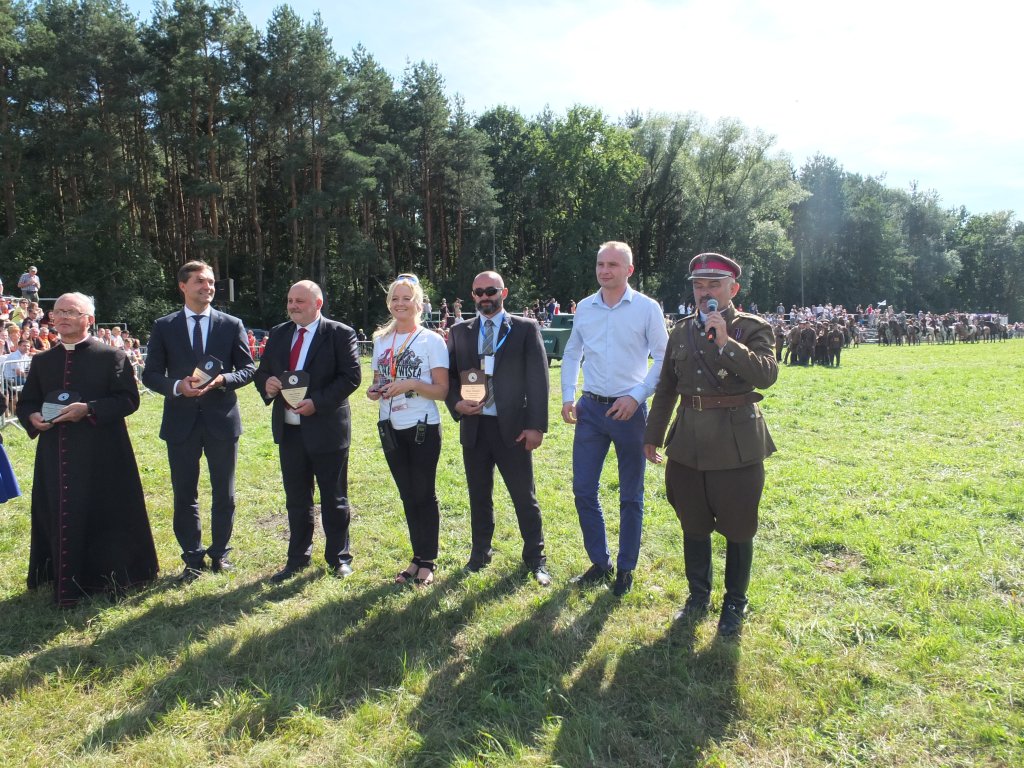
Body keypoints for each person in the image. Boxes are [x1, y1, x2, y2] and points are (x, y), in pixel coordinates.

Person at [643, 253, 777, 636]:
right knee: (693, 522)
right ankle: (698, 596)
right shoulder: (681, 331)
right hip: (688, 443)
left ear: (733, 289)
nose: (705, 292)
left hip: (737, 444)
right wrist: (652, 436)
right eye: (699, 285)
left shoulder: (751, 328)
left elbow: (767, 375)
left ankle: (735, 602)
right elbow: (667, 388)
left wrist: (727, 343)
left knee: (739, 525)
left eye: (714, 285)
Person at [16, 292, 158, 606]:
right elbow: (26, 402)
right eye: (58, 312)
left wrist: (90, 409)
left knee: (103, 509)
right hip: (55, 452)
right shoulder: (42, 361)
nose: (62, 317)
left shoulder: (111, 356)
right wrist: (31, 417)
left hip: (102, 451)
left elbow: (128, 400)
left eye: (71, 312)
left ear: (88, 320)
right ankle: (58, 576)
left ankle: (107, 575)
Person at [560, 241, 668, 596]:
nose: (604, 270)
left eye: (613, 265)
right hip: (590, 409)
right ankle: (600, 562)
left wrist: (636, 396)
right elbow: (572, 353)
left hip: (630, 412)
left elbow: (664, 359)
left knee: (631, 494)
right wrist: (568, 395)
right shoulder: (585, 308)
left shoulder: (647, 309)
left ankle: (626, 568)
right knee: (583, 489)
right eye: (600, 264)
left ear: (629, 270)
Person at [142, 260, 255, 583]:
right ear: (183, 286)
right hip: (181, 422)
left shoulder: (231, 324)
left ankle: (220, 554)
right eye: (200, 282)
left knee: (224, 493)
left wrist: (223, 380)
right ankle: (192, 557)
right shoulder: (164, 326)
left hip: (222, 421)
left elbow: (248, 369)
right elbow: (150, 374)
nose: (208, 287)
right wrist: (177, 386)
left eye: (211, 282)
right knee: (184, 494)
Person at [445, 270, 551, 586]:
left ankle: (536, 558)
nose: (484, 297)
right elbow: (448, 377)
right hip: (475, 428)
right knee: (479, 495)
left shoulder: (524, 328)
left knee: (523, 496)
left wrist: (536, 427)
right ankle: (480, 554)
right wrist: (456, 404)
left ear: (503, 293)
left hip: (513, 428)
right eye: (478, 292)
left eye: (490, 291)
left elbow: (539, 379)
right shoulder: (459, 331)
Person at [255, 280, 361, 582]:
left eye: (299, 301)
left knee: (334, 498)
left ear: (318, 304)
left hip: (327, 429)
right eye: (290, 300)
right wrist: (267, 384)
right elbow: (263, 371)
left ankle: (339, 558)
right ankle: (297, 559)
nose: (293, 306)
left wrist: (318, 403)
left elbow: (350, 377)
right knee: (297, 499)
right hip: (289, 432)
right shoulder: (279, 333)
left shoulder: (340, 333)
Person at [367, 274, 449, 587]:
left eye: (406, 298)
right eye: (395, 298)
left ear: (418, 304)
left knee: (423, 493)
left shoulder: (431, 340)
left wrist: (412, 384)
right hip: (390, 427)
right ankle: (416, 557)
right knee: (407, 494)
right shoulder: (380, 340)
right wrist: (374, 391)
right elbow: (378, 380)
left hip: (422, 426)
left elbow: (442, 390)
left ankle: (428, 561)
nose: (400, 304)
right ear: (389, 303)